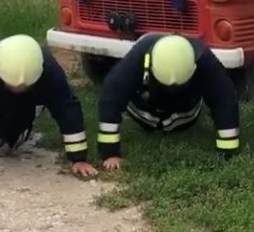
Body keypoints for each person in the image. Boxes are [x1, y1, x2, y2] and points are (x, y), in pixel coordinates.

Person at [0, 34, 98, 188]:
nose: (18, 89)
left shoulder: (51, 72)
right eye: (13, 86)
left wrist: (79, 159)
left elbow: (68, 110)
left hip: (31, 98)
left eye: (23, 86)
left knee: (15, 138)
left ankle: (22, 124)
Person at [96, 33, 241, 170]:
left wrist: (228, 153)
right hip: (142, 110)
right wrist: (110, 153)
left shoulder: (205, 59)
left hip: (185, 114)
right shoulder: (138, 56)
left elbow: (224, 100)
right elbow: (112, 96)